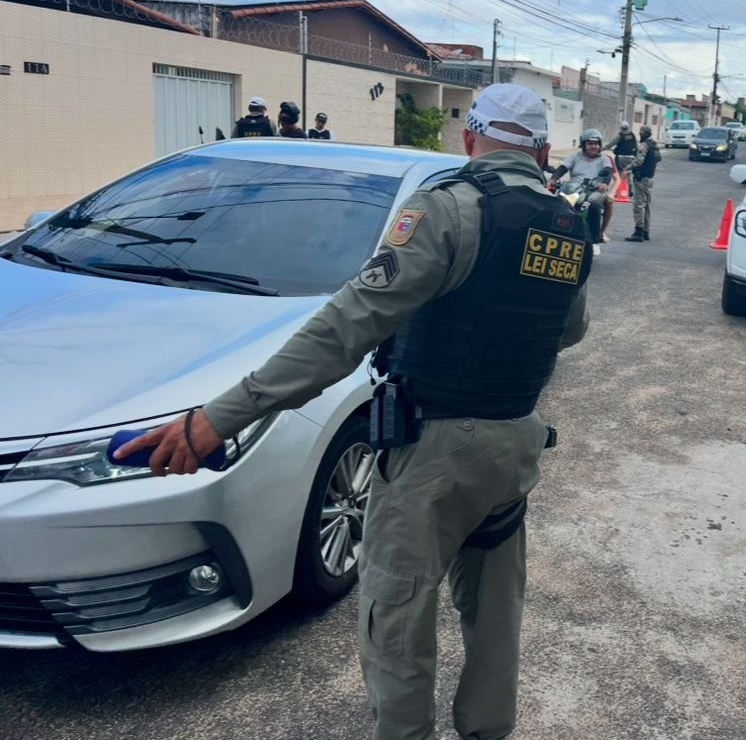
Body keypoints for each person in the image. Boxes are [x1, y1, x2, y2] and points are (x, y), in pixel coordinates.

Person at [115, 83, 591, 740]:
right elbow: (567, 330)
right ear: (539, 151)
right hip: (515, 444)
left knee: (397, 610)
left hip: (433, 449)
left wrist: (217, 419)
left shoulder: (450, 210)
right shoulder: (566, 223)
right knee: (495, 609)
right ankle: (488, 729)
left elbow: (346, 327)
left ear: (471, 138)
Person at [550, 128, 613, 255]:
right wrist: (553, 178)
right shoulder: (575, 157)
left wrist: (604, 183)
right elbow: (563, 168)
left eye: (596, 144)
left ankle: (595, 241)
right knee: (557, 201)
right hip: (574, 189)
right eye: (590, 144)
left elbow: (608, 172)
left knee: (594, 202)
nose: (593, 146)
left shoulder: (604, 159)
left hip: (595, 189)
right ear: (583, 145)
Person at [625, 125, 662, 242]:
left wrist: (627, 168)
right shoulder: (655, 145)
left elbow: (639, 161)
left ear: (643, 134)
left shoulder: (644, 145)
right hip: (651, 178)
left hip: (641, 178)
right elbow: (658, 158)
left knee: (638, 205)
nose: (640, 135)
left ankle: (638, 232)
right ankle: (646, 231)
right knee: (647, 206)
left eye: (641, 133)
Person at [602, 121, 637, 241]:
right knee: (629, 175)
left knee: (619, 174)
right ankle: (629, 191)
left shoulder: (620, 136)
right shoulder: (632, 135)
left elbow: (612, 143)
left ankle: (618, 192)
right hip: (631, 157)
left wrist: (604, 148)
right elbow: (636, 146)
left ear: (622, 128)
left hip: (621, 157)